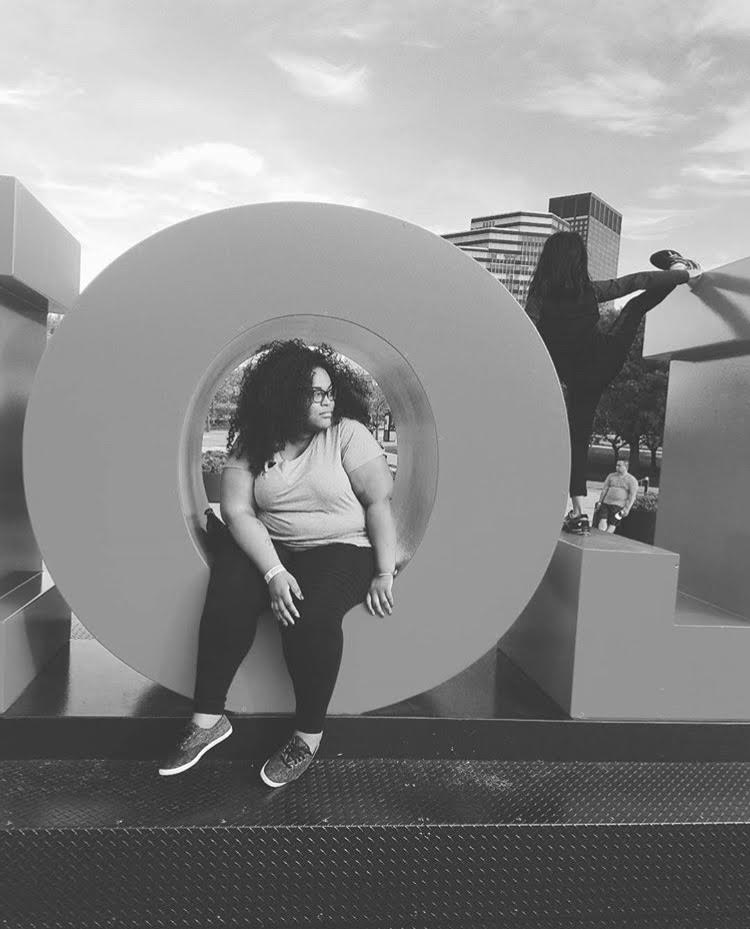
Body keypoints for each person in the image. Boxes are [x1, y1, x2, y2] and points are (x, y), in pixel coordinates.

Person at [158, 340, 396, 787]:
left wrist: (384, 570)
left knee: (311, 617)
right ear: (285, 394)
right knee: (229, 586)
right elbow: (239, 512)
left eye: (331, 392)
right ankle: (208, 720)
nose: (328, 402)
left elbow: (379, 500)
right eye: (316, 394)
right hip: (275, 546)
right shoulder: (254, 441)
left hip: (342, 545)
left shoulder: (347, 433)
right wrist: (273, 572)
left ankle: (307, 736)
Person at [526, 237, 702, 534]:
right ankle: (680, 266)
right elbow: (635, 281)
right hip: (604, 361)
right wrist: (682, 276)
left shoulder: (539, 299)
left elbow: (526, 333)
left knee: (578, 437)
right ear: (578, 261)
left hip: (577, 378)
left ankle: (579, 512)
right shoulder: (589, 291)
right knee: (634, 307)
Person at [595, 458, 638, 533]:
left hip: (619, 506)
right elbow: (604, 489)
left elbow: (632, 496)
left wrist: (627, 509)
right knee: (602, 519)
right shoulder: (611, 476)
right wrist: (599, 502)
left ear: (626, 467)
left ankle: (607, 538)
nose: (617, 467)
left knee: (613, 523)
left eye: (619, 465)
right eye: (616, 465)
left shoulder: (632, 480)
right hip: (606, 503)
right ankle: (601, 535)